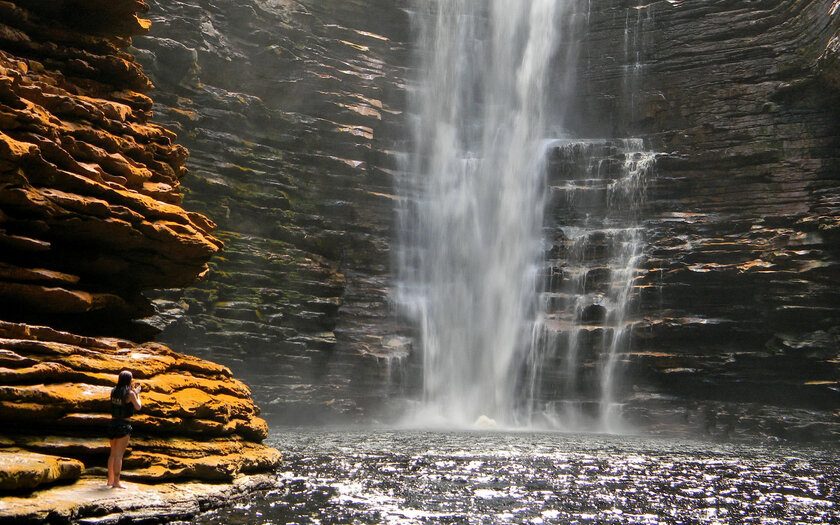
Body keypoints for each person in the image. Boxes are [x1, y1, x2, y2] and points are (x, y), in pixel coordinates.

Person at [107, 370, 142, 489]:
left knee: (112, 454)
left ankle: (110, 480)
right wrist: (137, 394)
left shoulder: (113, 391)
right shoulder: (130, 393)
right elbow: (138, 406)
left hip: (112, 424)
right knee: (118, 456)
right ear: (129, 380)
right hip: (124, 425)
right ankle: (117, 482)